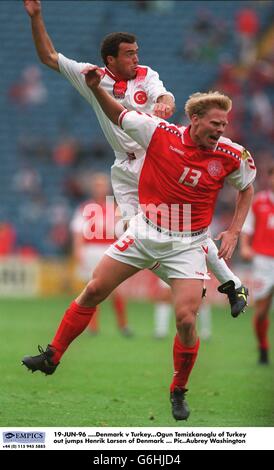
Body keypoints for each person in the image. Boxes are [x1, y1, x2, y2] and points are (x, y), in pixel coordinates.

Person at [22, 77, 256, 420]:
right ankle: (53, 356)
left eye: (224, 124)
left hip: (188, 245)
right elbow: (117, 113)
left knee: (186, 319)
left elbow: (247, 188)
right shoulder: (159, 133)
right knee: (94, 289)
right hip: (146, 231)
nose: (220, 129)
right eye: (214, 123)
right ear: (195, 119)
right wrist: (95, 88)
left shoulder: (232, 154)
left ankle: (178, 390)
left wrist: (235, 230)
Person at [23, 0, 249, 329]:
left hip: (154, 159)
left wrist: (164, 105)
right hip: (124, 169)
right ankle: (215, 281)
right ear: (111, 59)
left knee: (182, 228)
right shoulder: (92, 78)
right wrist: (37, 16)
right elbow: (48, 57)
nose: (136, 58)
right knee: (138, 234)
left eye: (137, 52)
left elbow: (166, 98)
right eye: (129, 53)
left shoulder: (147, 76)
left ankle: (225, 282)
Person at [71, 172, 133, 337]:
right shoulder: (85, 208)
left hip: (109, 249)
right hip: (90, 250)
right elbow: (78, 232)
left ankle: (123, 324)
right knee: (91, 290)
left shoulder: (115, 208)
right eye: (97, 185)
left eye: (102, 185)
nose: (100, 188)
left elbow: (123, 233)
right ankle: (92, 326)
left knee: (116, 289)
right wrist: (78, 250)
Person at [240, 165, 274, 365]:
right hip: (263, 260)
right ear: (269, 178)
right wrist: (245, 247)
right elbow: (248, 227)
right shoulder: (259, 201)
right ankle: (263, 346)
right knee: (261, 311)